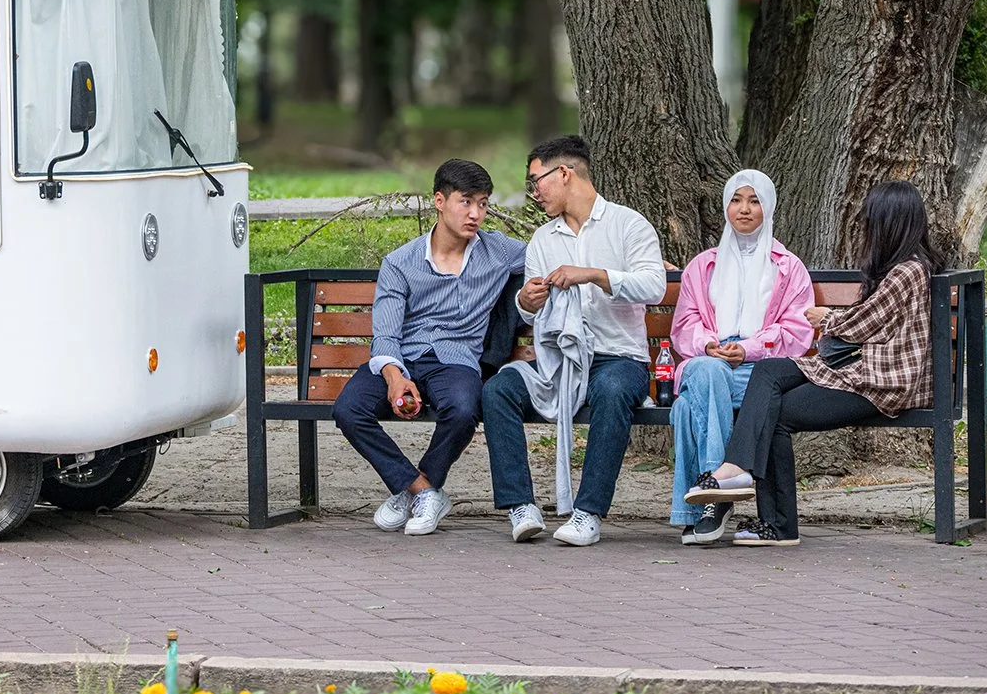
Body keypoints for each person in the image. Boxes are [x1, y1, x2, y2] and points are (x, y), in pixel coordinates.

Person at [686, 179, 939, 547]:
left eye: (872, 219)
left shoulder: (908, 271)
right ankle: (746, 483)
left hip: (880, 384)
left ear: (890, 223)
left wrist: (826, 318)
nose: (866, 226)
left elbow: (864, 322)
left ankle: (763, 505)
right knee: (769, 376)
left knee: (774, 408)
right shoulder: (902, 268)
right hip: (861, 372)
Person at [483, 134, 664, 546]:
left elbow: (654, 285)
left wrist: (594, 274)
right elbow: (531, 312)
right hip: (559, 361)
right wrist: (526, 301)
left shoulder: (628, 224)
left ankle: (588, 513)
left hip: (617, 358)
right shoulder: (544, 239)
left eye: (536, 181)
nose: (534, 192)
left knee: (614, 390)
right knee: (498, 390)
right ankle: (520, 505)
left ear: (564, 173)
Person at [332, 159, 526, 537]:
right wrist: (393, 376)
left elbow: (556, 256)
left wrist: (635, 265)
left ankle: (414, 490)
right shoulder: (400, 262)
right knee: (349, 409)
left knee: (464, 408)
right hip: (404, 358)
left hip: (457, 361)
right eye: (465, 202)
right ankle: (422, 491)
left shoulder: (498, 251)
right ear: (439, 200)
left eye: (483, 204)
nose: (475, 214)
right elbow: (385, 335)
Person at [667, 169, 814, 545]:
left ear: (768, 208)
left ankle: (702, 507)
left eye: (754, 201)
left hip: (761, 369)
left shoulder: (788, 267)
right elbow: (684, 326)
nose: (744, 209)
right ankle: (721, 491)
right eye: (736, 200)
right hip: (710, 360)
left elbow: (797, 333)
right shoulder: (703, 266)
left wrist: (748, 348)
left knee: (687, 407)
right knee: (706, 371)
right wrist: (708, 344)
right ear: (725, 206)